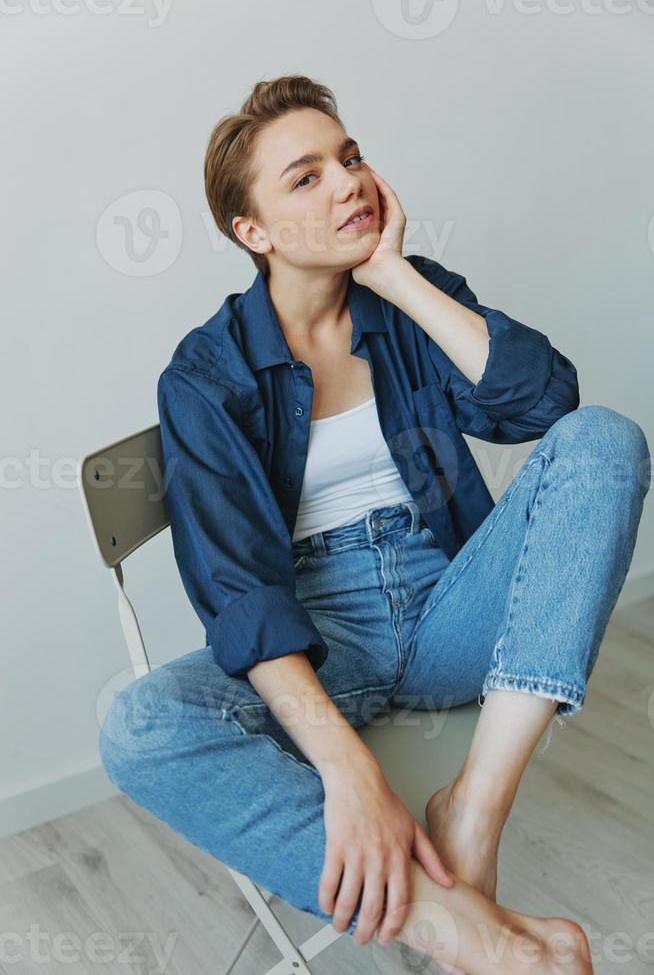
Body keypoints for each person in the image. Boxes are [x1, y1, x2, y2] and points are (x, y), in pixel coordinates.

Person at [99, 74, 650, 974]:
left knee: (606, 440)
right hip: (322, 643)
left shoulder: (407, 299)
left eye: (349, 157)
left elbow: (548, 405)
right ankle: (461, 929)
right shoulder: (205, 376)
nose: (348, 182)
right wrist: (349, 774)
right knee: (141, 726)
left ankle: (471, 816)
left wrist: (395, 276)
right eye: (306, 177)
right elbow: (240, 590)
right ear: (254, 232)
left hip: (450, 608)